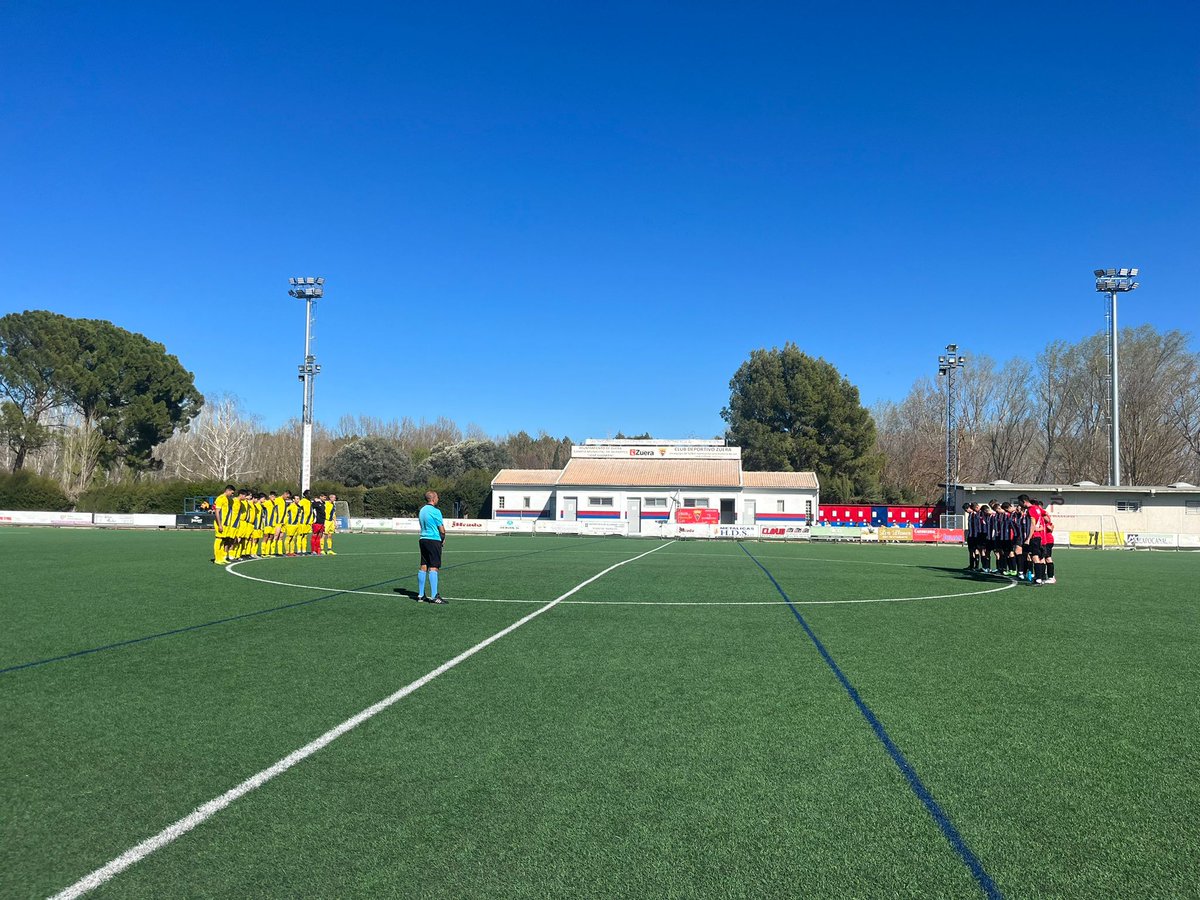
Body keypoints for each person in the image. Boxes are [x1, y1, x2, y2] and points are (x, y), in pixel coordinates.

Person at [417, 490, 447, 603]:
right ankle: (434, 596)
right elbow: (441, 529)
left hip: (423, 539)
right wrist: (442, 539)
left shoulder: (422, 510)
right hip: (433, 539)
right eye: (437, 497)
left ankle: (420, 595)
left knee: (423, 565)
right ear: (433, 499)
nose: (438, 499)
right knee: (434, 566)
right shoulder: (436, 511)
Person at [213, 485, 235, 565]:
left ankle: (221, 558)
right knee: (219, 539)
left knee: (223, 540)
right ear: (228, 490)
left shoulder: (228, 499)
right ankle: (217, 558)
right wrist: (219, 525)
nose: (232, 495)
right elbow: (217, 512)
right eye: (232, 493)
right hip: (221, 523)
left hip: (226, 524)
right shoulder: (220, 498)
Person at [309, 489, 326, 555]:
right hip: (317, 522)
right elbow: (312, 505)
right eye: (324, 497)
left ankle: (318, 550)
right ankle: (313, 550)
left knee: (319, 536)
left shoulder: (323, 504)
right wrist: (315, 501)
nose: (325, 498)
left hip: (322, 522)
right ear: (320, 497)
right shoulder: (316, 503)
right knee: (314, 536)